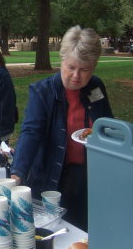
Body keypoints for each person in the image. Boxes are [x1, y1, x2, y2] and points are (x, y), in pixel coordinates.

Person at [10, 26, 114, 231]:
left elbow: (108, 125)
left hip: (90, 177)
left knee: (87, 232)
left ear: (94, 66)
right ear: (61, 60)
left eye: (84, 69)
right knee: (55, 232)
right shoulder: (43, 92)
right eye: (71, 67)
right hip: (54, 177)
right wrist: (17, 172)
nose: (76, 75)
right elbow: (31, 132)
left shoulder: (96, 87)